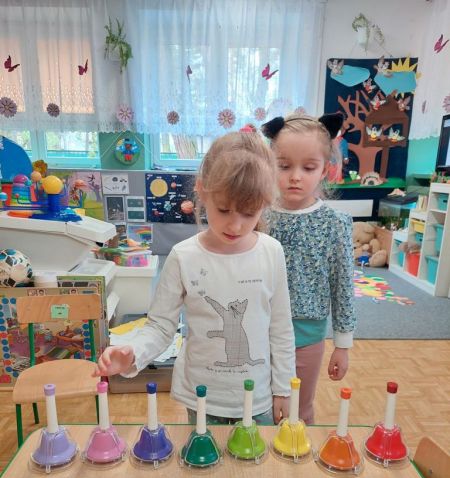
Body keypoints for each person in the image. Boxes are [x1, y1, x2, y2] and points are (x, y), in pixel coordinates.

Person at [94, 130, 295, 425]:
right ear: (202, 190)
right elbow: (160, 327)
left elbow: (280, 329)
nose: (235, 225)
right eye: (224, 209)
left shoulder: (271, 252)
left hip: (258, 398)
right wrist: (132, 352)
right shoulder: (183, 256)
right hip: (202, 398)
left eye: (249, 213)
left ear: (264, 204)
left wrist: (284, 389)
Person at [262, 113, 356, 424]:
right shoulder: (257, 216)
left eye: (308, 168)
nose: (295, 177)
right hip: (259, 331)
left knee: (299, 412)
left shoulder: (335, 223)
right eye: (284, 166)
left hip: (307, 336)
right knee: (260, 409)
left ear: (325, 169)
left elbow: (343, 287)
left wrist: (342, 346)